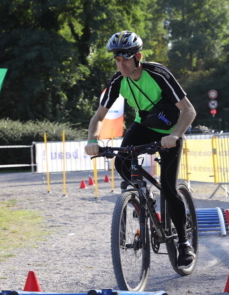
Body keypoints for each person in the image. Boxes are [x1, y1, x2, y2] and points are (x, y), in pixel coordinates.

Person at [84, 31, 197, 268]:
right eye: (117, 59)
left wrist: (175, 135)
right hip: (144, 125)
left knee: (168, 187)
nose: (121, 64)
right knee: (121, 162)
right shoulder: (117, 81)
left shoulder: (158, 74)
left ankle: (184, 243)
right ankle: (145, 194)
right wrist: (92, 141)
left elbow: (189, 110)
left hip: (169, 130)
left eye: (125, 58)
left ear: (138, 57)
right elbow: (98, 117)